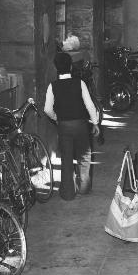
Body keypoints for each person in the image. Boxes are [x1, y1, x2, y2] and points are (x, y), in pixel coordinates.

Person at [44, 52, 101, 200]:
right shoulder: (80, 83)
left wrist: (57, 118)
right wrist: (95, 123)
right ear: (70, 66)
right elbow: (90, 105)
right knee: (84, 156)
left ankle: (68, 193)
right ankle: (84, 188)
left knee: (67, 158)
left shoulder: (53, 86)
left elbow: (47, 109)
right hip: (81, 125)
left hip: (64, 126)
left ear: (56, 68)